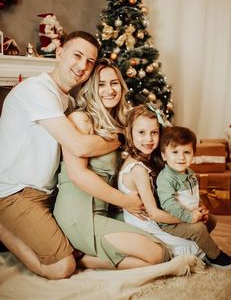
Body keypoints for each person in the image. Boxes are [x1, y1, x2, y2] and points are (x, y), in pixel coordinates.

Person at [0, 31, 143, 280]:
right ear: (59, 53)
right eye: (77, 55)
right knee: (62, 267)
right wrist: (120, 138)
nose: (82, 66)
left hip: (48, 193)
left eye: (90, 61)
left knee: (79, 244)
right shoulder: (36, 90)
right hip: (15, 193)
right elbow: (79, 146)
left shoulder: (66, 101)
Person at [53, 59, 172, 270]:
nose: (109, 90)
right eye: (101, 84)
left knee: (165, 244)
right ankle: (79, 259)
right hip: (80, 214)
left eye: (114, 83)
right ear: (90, 88)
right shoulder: (81, 119)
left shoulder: (120, 122)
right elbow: (77, 176)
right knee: (158, 254)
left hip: (107, 209)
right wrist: (126, 201)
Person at [118, 104, 204, 258]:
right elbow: (154, 214)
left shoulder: (149, 159)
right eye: (141, 133)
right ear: (129, 133)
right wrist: (189, 216)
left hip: (156, 218)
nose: (148, 139)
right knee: (193, 248)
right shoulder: (138, 169)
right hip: (147, 225)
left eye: (154, 133)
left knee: (205, 227)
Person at [156, 125, 231, 270]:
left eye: (186, 152)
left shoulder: (190, 174)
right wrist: (190, 218)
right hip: (171, 224)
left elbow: (194, 196)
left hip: (189, 215)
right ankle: (215, 256)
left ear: (193, 154)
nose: (181, 157)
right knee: (199, 229)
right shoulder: (165, 179)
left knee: (211, 220)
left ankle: (199, 245)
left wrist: (201, 209)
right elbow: (169, 204)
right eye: (175, 152)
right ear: (164, 155)